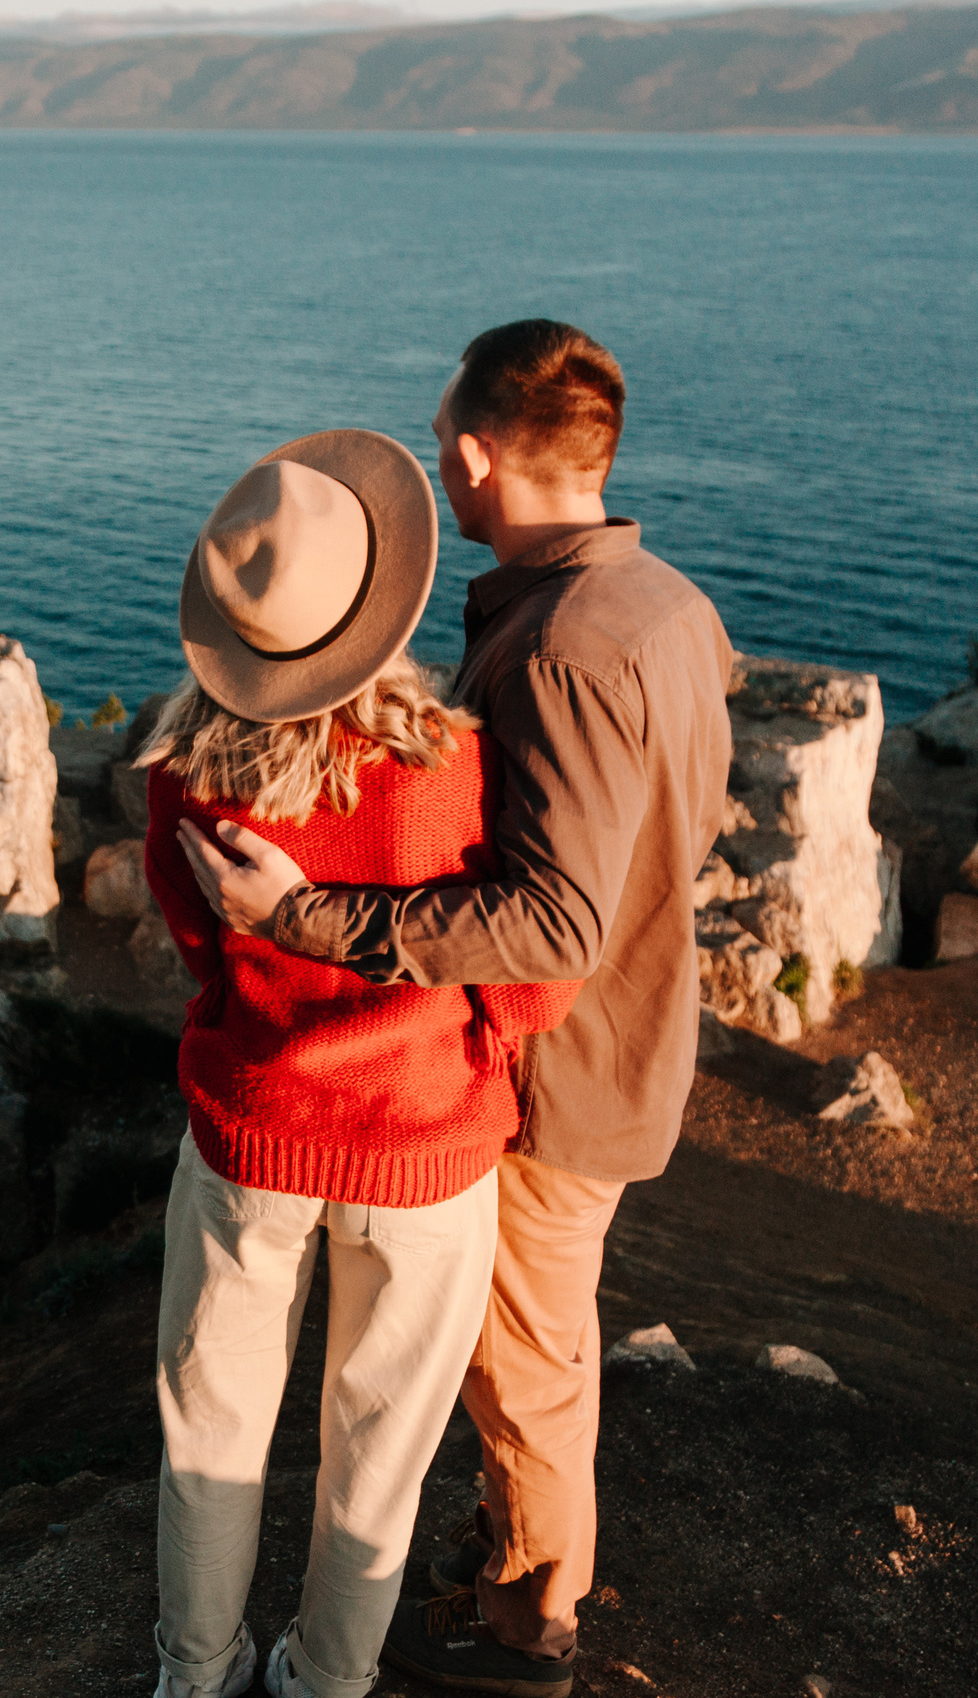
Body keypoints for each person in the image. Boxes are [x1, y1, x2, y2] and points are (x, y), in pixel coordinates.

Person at [174, 321, 734, 1698]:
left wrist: (297, 912)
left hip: (559, 1064)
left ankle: (524, 1626)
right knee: (471, 1372)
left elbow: (549, 927)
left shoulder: (554, 654)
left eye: (440, 447)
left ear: (480, 455)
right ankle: (458, 1587)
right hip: (612, 1034)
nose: (441, 465)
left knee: (526, 1365)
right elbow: (673, 822)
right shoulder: (670, 606)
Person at [139, 426, 579, 1698]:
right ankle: (326, 1681)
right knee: (378, 1452)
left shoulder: (187, 776)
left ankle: (194, 1675)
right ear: (378, 610)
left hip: (248, 1136)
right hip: (425, 1151)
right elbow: (533, 979)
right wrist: (470, 1058)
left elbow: (197, 954)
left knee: (209, 1436)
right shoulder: (456, 771)